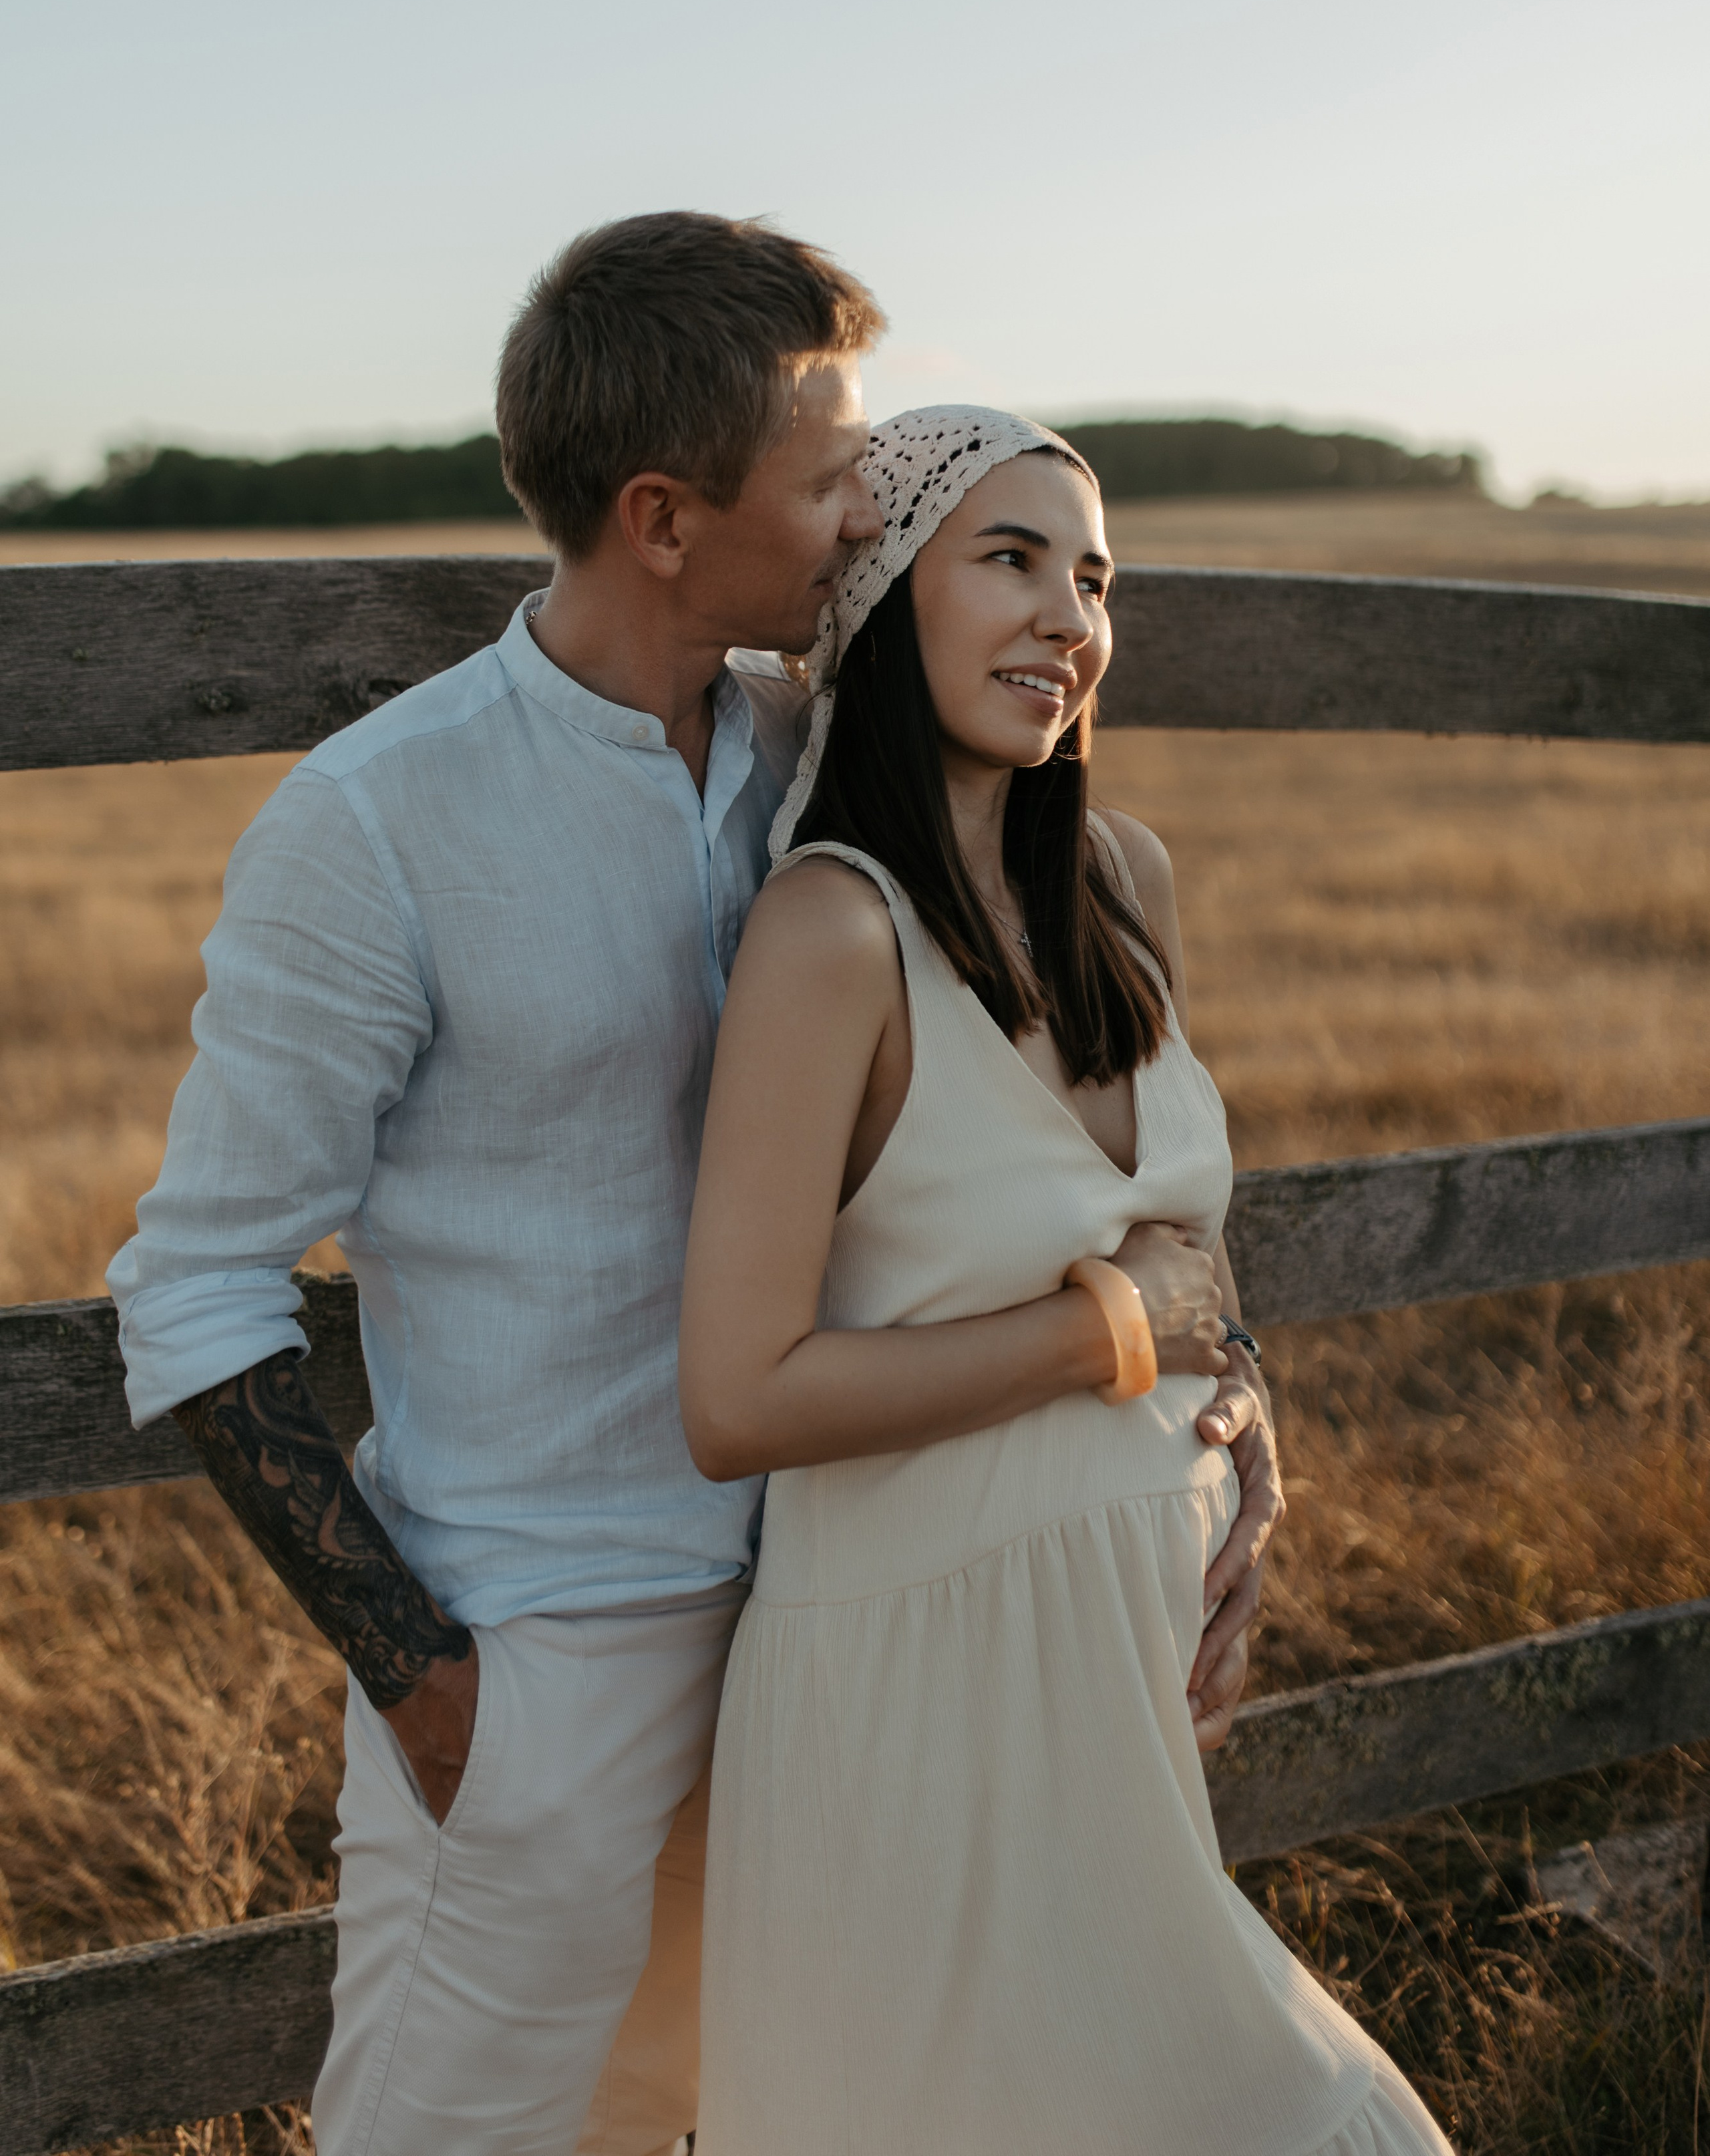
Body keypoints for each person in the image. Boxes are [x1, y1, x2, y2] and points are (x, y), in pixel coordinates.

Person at [108, 218, 1276, 2156]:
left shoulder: (819, 764)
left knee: (722, 2118)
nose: (861, 519)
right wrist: (436, 1693)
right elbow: (202, 1284)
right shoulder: (378, 825)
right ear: (664, 516)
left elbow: (1079, 1125)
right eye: (830, 479)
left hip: (830, 1644)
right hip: (538, 1662)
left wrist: (1224, 1418)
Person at [679, 408, 1451, 2155]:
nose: (1069, 618)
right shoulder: (831, 932)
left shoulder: (1121, 881)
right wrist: (1108, 1338)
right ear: (884, 594)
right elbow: (738, 1399)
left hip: (1116, 1677)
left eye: (1094, 577)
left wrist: (1240, 1463)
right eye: (1010, 558)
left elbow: (1192, 1259)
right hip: (918, 1700)